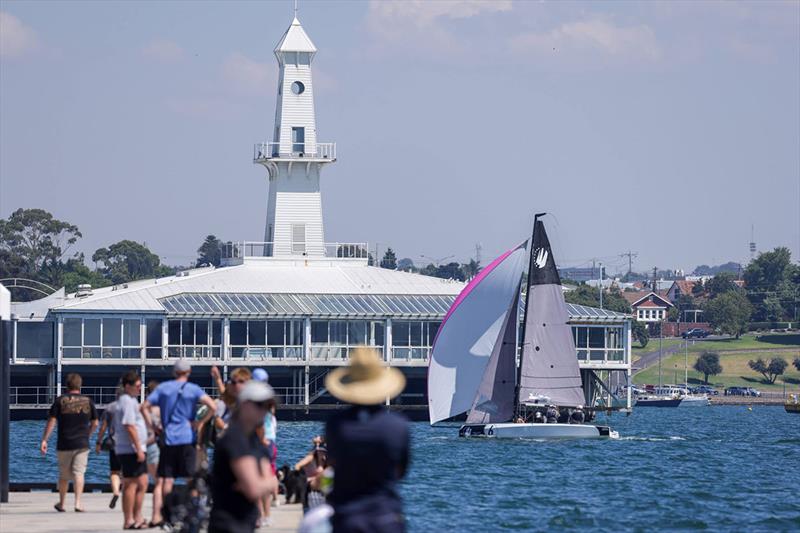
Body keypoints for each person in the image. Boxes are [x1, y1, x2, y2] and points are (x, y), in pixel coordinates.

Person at [325, 348, 409, 533]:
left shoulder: (336, 424)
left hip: (347, 516)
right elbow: (400, 471)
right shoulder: (398, 426)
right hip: (386, 515)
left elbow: (331, 461)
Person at [141, 359, 216, 521]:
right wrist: (199, 422)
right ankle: (194, 512)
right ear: (188, 372)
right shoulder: (193, 389)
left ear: (174, 372)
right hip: (187, 437)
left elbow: (143, 407)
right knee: (191, 477)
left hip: (168, 438)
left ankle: (166, 513)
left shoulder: (163, 388)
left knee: (167, 479)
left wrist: (153, 426)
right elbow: (213, 406)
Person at [209, 380, 279, 533]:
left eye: (268, 406)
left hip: (246, 521)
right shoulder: (234, 438)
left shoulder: (254, 440)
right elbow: (254, 488)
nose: (264, 411)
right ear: (245, 404)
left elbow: (271, 482)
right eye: (260, 405)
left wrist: (262, 482)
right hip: (228, 523)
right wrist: (264, 482)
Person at [40, 372, 98, 513]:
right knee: (79, 473)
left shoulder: (60, 401)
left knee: (64, 475)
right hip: (82, 443)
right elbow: (95, 423)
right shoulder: (88, 401)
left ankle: (62, 503)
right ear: (80, 385)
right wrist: (88, 435)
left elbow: (52, 422)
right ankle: (78, 503)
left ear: (66, 386)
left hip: (64, 443)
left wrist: (44, 440)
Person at [114, 371, 149, 530]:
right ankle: (129, 519)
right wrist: (138, 448)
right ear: (128, 386)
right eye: (137, 386)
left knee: (142, 483)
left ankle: (137, 516)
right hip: (130, 450)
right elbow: (129, 425)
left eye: (140, 386)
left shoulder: (130, 401)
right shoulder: (127, 401)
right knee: (131, 484)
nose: (139, 389)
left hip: (133, 448)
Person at [95, 388, 123, 510]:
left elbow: (102, 428)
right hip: (128, 445)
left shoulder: (110, 408)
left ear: (116, 395)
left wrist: (98, 442)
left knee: (114, 472)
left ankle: (116, 491)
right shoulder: (133, 407)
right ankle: (126, 493)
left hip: (114, 443)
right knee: (127, 473)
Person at [145, 381, 163, 528]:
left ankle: (134, 517)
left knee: (137, 483)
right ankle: (156, 515)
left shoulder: (140, 408)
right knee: (159, 483)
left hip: (138, 446)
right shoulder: (159, 409)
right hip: (154, 445)